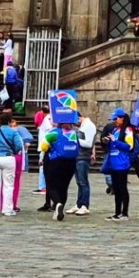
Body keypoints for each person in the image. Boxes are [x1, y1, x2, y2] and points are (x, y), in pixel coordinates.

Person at [38, 91, 86, 222]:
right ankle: (62, 206)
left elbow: (43, 147)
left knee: (52, 186)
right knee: (63, 187)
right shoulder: (74, 133)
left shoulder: (53, 133)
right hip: (70, 162)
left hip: (54, 161)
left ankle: (57, 204)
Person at [0, 110, 28, 214]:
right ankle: (7, 209)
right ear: (9, 122)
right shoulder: (13, 132)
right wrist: (14, 152)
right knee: (8, 185)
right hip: (8, 158)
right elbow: (19, 145)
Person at [100, 108, 139, 217]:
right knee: (116, 189)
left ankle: (124, 213)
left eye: (116, 119)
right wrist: (106, 141)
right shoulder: (115, 130)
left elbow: (129, 146)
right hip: (113, 162)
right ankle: (117, 212)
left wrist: (115, 141)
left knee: (122, 188)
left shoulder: (128, 130)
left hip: (122, 163)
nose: (114, 121)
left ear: (122, 118)